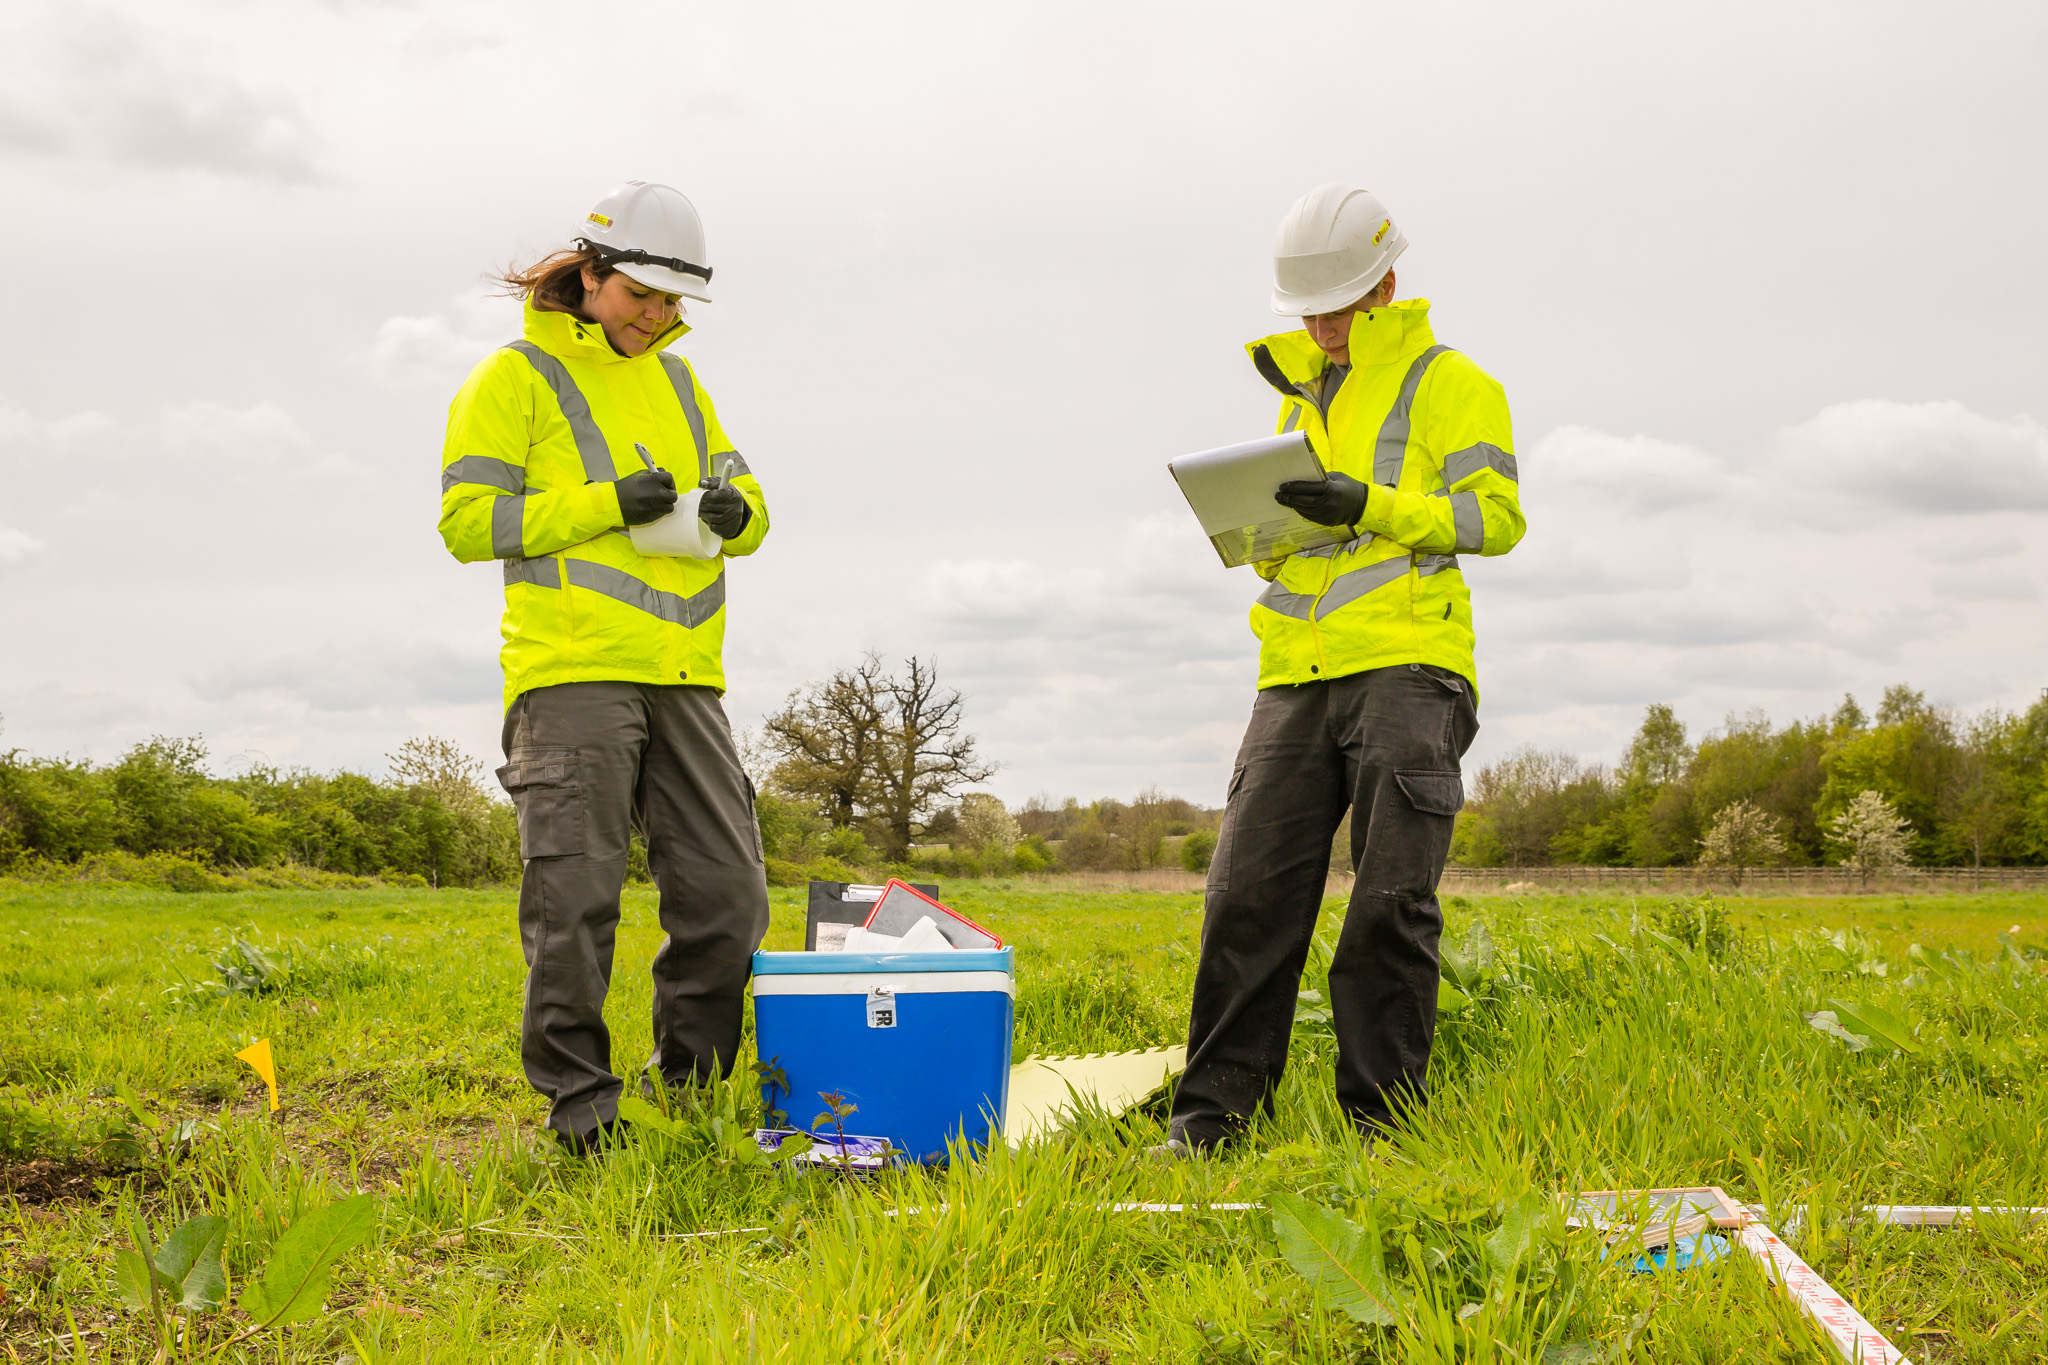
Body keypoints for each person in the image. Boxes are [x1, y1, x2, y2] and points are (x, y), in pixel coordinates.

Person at [1163, 183, 1525, 1154]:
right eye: (1307, 310)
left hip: (1409, 668)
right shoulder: (1292, 400)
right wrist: (1261, 531)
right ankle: (1208, 1129)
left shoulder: (1458, 387)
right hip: (1293, 672)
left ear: (1385, 285)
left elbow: (1492, 519)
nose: (1321, 327)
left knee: (1386, 904)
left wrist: (1364, 501)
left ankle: (1383, 1136)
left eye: (1337, 305)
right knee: (1244, 898)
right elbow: (1287, 552)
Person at [437, 181, 772, 1153]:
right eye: (641, 294)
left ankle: (693, 1089)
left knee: (727, 895)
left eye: (672, 302)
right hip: (570, 674)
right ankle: (581, 1103)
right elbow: (467, 524)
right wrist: (601, 503)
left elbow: (750, 503)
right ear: (589, 275)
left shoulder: (679, 383)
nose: (657, 316)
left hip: (685, 677)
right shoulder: (512, 380)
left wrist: (732, 517)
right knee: (574, 900)